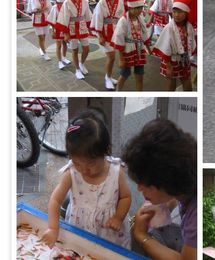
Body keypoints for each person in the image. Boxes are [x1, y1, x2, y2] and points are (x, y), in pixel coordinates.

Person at [41, 110, 132, 249]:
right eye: (77, 163)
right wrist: (53, 228)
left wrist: (119, 217)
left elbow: (125, 197)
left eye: (91, 164)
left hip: (110, 234)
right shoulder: (71, 173)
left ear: (106, 151)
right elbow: (55, 200)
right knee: (80, 251)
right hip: (80, 228)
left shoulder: (116, 172)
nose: (84, 170)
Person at [122, 119, 197, 259]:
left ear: (166, 182)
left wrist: (141, 236)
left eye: (144, 184)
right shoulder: (187, 180)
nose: (138, 188)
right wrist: (166, 206)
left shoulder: (196, 216)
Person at [152, 0, 196, 91]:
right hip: (171, 60)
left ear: (186, 12)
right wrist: (168, 66)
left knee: (186, 80)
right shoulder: (169, 27)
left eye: (180, 12)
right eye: (174, 11)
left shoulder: (189, 27)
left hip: (184, 59)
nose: (176, 15)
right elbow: (165, 47)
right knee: (171, 82)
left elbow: (191, 44)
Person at [111, 0, 152, 91]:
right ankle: (118, 91)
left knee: (140, 74)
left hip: (139, 49)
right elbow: (119, 38)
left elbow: (144, 33)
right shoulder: (123, 20)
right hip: (128, 50)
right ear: (130, 7)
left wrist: (148, 48)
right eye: (136, 8)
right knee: (125, 73)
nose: (139, 10)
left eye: (141, 8)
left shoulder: (140, 18)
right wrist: (121, 59)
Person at [90, 0, 125, 90]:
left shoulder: (120, 2)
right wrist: (100, 35)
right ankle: (108, 78)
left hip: (116, 31)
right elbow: (98, 18)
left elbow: (122, 17)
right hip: (105, 33)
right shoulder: (102, 3)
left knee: (112, 57)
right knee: (111, 56)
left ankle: (108, 76)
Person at [56, 0, 92, 79]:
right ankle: (77, 70)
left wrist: (89, 27)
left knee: (87, 49)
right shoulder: (67, 2)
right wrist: (65, 33)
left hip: (82, 26)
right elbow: (64, 17)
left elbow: (88, 14)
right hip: (71, 27)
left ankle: (81, 64)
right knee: (75, 50)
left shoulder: (85, 1)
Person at [47, 0, 72, 70]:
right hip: (57, 28)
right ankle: (59, 61)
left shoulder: (67, 5)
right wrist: (53, 31)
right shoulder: (54, 7)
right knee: (58, 45)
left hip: (65, 28)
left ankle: (64, 57)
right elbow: (52, 19)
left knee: (65, 43)